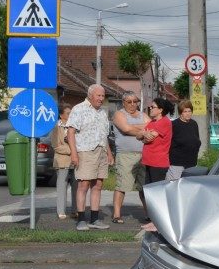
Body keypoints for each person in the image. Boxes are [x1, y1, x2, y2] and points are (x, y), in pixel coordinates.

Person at [67, 84, 114, 231]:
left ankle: (94, 219)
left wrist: (109, 153)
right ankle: (81, 219)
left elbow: (104, 135)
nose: (101, 98)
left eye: (103, 96)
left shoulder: (102, 112)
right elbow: (70, 132)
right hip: (85, 151)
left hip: (101, 151)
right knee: (84, 185)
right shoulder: (79, 109)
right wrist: (74, 153)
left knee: (98, 185)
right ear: (90, 95)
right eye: (98, 95)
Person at [110, 91, 148, 224]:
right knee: (122, 186)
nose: (133, 104)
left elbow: (152, 127)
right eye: (129, 101)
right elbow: (126, 129)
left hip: (143, 155)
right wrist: (142, 129)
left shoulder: (143, 114)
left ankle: (149, 214)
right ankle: (116, 215)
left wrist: (134, 127)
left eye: (135, 101)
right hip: (125, 155)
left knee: (145, 187)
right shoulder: (119, 114)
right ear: (123, 102)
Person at [139, 98, 173, 220]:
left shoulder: (165, 122)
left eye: (153, 107)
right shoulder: (152, 123)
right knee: (146, 191)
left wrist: (144, 135)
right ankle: (153, 217)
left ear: (160, 110)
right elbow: (140, 135)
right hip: (148, 161)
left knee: (155, 192)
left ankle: (159, 218)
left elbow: (148, 138)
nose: (150, 109)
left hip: (158, 163)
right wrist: (143, 134)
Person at [50, 105, 75, 220]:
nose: (71, 115)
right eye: (68, 113)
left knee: (77, 186)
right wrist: (72, 151)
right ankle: (61, 211)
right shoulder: (56, 127)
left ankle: (75, 210)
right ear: (61, 115)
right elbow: (56, 146)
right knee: (62, 186)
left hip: (76, 160)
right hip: (62, 160)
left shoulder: (74, 126)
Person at [166, 99, 200, 181]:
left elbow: (197, 140)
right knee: (174, 185)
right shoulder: (174, 125)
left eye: (189, 111)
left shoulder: (194, 124)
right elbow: (167, 143)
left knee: (190, 186)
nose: (188, 113)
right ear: (181, 112)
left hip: (192, 162)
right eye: (185, 111)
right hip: (177, 163)